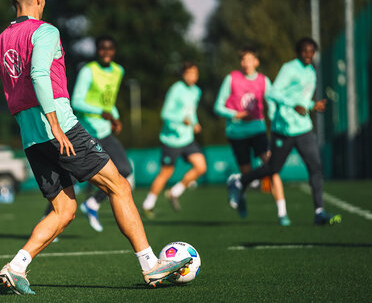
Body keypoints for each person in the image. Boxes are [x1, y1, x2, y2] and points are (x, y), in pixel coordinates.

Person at [0, 0, 191, 295]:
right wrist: (54, 123)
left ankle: (16, 267)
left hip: (31, 139)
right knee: (119, 185)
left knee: (64, 210)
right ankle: (151, 265)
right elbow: (39, 73)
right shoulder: (46, 31)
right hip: (60, 128)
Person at [227, 37, 341, 226]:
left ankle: (319, 211)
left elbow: (301, 100)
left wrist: (312, 105)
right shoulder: (289, 69)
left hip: (303, 128)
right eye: (305, 51)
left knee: (315, 167)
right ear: (298, 51)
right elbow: (272, 93)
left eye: (311, 51)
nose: (308, 54)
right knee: (273, 168)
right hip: (284, 129)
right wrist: (292, 105)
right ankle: (240, 181)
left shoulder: (312, 71)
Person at [214, 48, 289, 226]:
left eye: (250, 60)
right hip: (236, 133)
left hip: (258, 130)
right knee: (247, 173)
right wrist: (237, 114)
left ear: (257, 62)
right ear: (241, 63)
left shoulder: (264, 81)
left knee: (272, 166)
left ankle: (282, 212)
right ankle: (241, 196)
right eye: (243, 60)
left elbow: (271, 104)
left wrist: (278, 121)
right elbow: (218, 106)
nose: (247, 64)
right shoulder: (231, 78)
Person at [72, 35, 132, 232]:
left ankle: (93, 203)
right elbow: (76, 101)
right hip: (86, 133)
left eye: (110, 48)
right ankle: (49, 216)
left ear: (114, 51)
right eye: (102, 48)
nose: (106, 52)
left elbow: (109, 99)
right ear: (97, 50)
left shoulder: (118, 70)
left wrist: (115, 116)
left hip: (105, 132)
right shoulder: (88, 71)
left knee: (124, 169)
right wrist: (102, 113)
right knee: (71, 177)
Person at [141, 62, 206, 216]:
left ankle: (175, 192)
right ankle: (148, 204)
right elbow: (165, 114)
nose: (192, 76)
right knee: (165, 173)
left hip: (187, 138)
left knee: (201, 167)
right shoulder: (176, 89)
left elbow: (191, 111)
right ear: (183, 74)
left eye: (195, 73)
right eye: (189, 73)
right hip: (171, 139)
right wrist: (181, 119)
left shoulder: (196, 91)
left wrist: (195, 123)